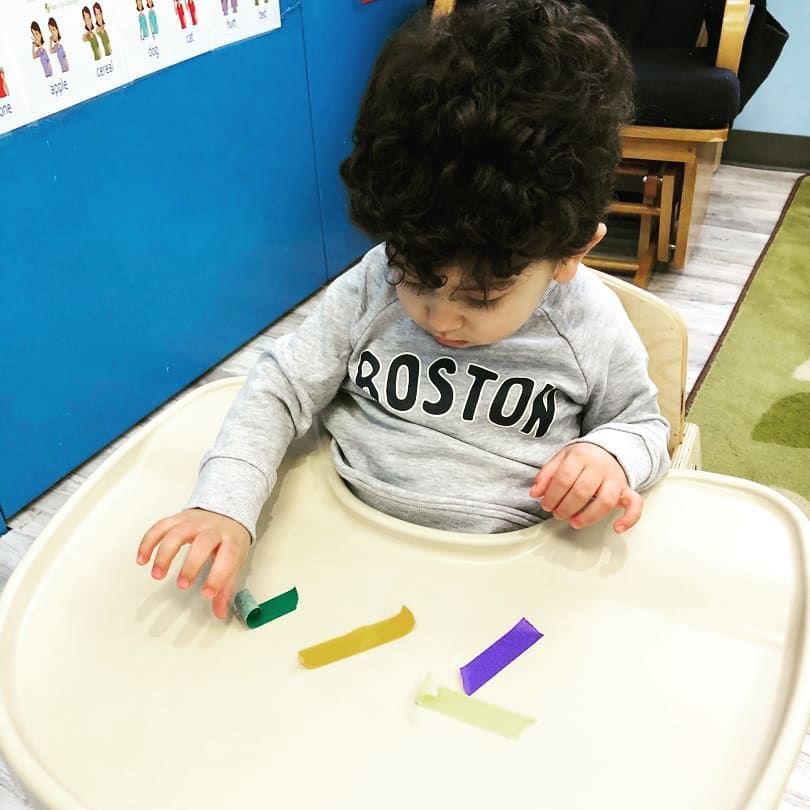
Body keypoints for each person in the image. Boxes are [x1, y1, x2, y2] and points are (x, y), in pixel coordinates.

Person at [137, 0, 670, 619]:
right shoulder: (371, 284)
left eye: (483, 297)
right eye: (412, 278)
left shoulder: (587, 327)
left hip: (509, 583)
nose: (439, 318)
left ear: (571, 254)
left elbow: (645, 427)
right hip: (339, 550)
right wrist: (224, 504)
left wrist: (610, 457)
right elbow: (280, 387)